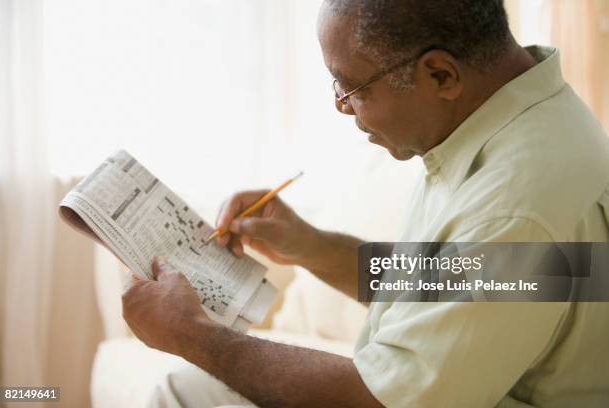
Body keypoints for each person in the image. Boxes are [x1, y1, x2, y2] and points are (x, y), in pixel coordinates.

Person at [122, 0, 609, 406]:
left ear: (440, 74)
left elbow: (377, 401)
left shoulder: (515, 204)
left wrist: (190, 335)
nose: (343, 108)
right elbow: (441, 290)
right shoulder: (516, 124)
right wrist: (310, 247)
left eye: (352, 88)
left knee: (184, 397)